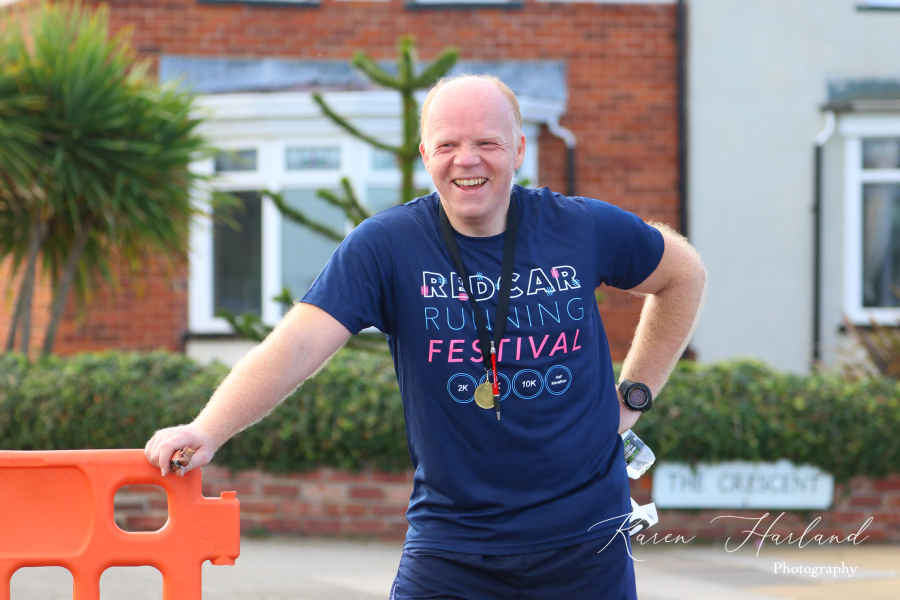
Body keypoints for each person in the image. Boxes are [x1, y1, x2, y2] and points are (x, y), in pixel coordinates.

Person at [145, 74, 707, 599]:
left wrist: (634, 396)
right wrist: (207, 429)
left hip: (588, 541)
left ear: (518, 150)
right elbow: (296, 344)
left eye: (487, 143)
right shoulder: (387, 247)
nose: (466, 160)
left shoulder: (579, 227)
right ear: (425, 156)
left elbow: (683, 275)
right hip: (452, 546)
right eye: (446, 146)